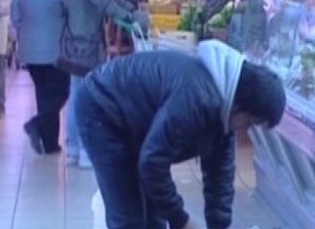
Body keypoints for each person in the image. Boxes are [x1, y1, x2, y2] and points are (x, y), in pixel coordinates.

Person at [75, 39, 286, 229]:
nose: (247, 129)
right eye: (251, 122)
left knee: (155, 219)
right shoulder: (198, 99)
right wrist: (181, 220)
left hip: (136, 123)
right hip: (102, 107)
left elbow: (219, 180)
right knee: (129, 218)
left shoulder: (225, 116)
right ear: (240, 105)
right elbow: (152, 162)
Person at [62, 0, 148, 168]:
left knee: (79, 92)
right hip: (84, 40)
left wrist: (129, 10)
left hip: (82, 36)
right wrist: (128, 17)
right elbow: (101, 0)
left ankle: (74, 148)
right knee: (83, 94)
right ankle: (80, 150)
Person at [12, 0, 69, 154]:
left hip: (29, 49)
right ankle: (37, 124)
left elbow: (15, 17)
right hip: (57, 49)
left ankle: (50, 142)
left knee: (43, 93)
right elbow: (72, 16)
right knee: (61, 91)